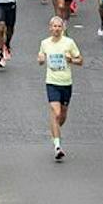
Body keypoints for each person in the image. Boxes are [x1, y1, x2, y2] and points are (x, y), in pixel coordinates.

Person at [37, 15, 82, 161]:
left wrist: (72, 60)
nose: (56, 29)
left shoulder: (69, 43)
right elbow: (40, 58)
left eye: (59, 26)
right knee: (56, 113)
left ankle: (55, 129)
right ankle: (57, 146)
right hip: (52, 82)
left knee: (61, 117)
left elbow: (80, 60)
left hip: (66, 83)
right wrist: (41, 59)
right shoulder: (45, 43)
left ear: (62, 28)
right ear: (50, 28)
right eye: (54, 26)